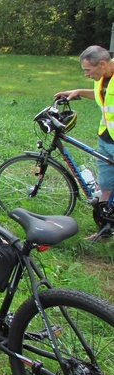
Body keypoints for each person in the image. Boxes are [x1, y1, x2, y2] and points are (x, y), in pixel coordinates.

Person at [54, 45, 114, 241]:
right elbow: (102, 96)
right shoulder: (103, 78)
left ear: (102, 64)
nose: (87, 74)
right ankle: (105, 227)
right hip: (105, 137)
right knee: (106, 186)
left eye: (88, 70)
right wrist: (78, 91)